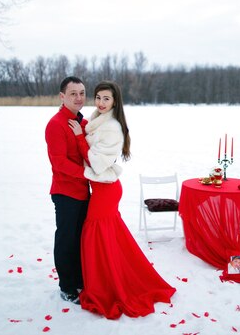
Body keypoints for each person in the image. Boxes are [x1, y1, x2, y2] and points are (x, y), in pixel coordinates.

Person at [68, 80, 176, 319]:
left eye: (106, 98)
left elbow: (96, 161)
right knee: (108, 235)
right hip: (102, 188)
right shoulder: (97, 120)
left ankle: (106, 284)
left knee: (94, 233)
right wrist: (81, 128)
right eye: (97, 97)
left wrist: (77, 138)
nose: (101, 102)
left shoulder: (112, 128)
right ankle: (109, 276)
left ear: (115, 101)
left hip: (106, 190)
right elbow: (89, 135)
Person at [45, 76, 90, 305]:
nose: (78, 98)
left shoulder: (82, 122)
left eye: (82, 93)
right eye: (73, 93)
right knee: (66, 240)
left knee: (81, 239)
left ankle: (80, 278)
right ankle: (67, 286)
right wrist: (88, 174)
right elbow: (59, 163)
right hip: (65, 193)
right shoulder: (56, 124)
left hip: (84, 192)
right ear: (62, 97)